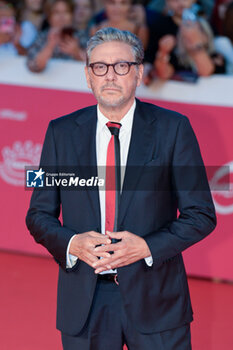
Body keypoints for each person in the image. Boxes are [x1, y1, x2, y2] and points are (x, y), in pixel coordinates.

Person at [26, 27, 216, 350]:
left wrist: (146, 247)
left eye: (121, 66)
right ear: (88, 76)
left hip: (157, 299)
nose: (110, 76)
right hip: (85, 304)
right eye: (100, 67)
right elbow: (37, 215)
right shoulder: (60, 133)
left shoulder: (174, 129)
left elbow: (202, 215)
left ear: (139, 73)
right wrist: (73, 244)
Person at [27, 0, 85, 72]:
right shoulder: (42, 37)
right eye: (56, 12)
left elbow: (94, 66)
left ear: (72, 15)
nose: (61, 17)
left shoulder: (81, 36)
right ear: (49, 17)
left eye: (66, 12)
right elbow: (33, 67)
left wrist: (77, 52)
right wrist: (50, 46)